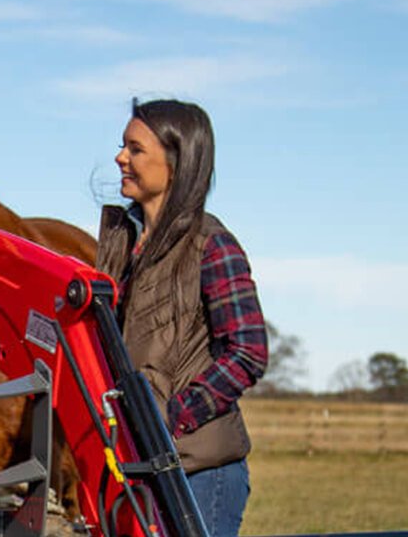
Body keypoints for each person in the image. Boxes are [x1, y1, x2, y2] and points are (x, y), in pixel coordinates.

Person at [96, 98, 268, 536]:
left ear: (176, 162)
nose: (121, 158)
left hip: (200, 475)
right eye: (123, 147)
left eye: (135, 149)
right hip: (139, 466)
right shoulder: (122, 245)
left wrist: (173, 420)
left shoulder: (211, 245)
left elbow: (248, 350)